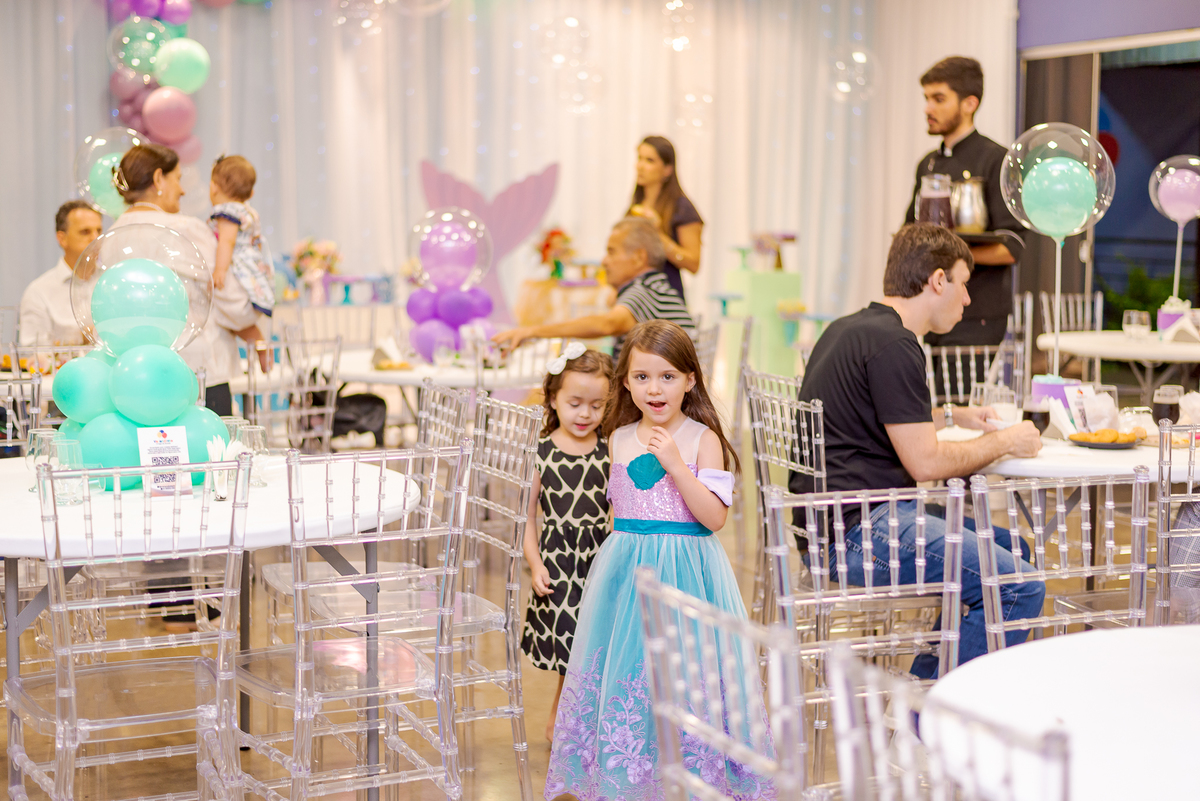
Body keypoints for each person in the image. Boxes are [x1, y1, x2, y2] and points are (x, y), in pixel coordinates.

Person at [789, 223, 1045, 678]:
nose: (967, 299)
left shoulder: (852, 328)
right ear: (938, 280)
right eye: (963, 284)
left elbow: (878, 418)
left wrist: (952, 415)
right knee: (1017, 584)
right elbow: (925, 462)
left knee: (1013, 547)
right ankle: (926, 712)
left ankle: (925, 684)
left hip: (830, 524)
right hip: (858, 535)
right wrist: (1008, 440)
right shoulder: (895, 344)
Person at [545, 321, 771, 799]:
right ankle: (631, 775)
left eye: (667, 377)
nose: (654, 389)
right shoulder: (618, 437)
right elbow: (619, 511)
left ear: (690, 380)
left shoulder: (703, 439)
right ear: (625, 383)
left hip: (686, 573)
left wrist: (675, 465)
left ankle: (693, 774)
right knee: (630, 672)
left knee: (686, 676)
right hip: (628, 573)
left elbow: (714, 518)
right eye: (642, 377)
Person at [521, 344, 613, 743]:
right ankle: (563, 721)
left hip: (599, 560)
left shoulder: (610, 449)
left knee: (593, 644)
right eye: (575, 403)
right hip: (558, 564)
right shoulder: (541, 452)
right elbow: (526, 518)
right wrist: (535, 564)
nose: (585, 414)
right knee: (571, 646)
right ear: (553, 398)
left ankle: (572, 721)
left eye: (597, 405)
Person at [109, 143, 244, 417]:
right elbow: (227, 297)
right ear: (159, 178)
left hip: (134, 376)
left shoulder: (110, 237)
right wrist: (253, 320)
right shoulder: (184, 228)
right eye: (178, 179)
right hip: (196, 373)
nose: (182, 190)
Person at [905, 56, 1021, 348]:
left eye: (938, 99)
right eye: (926, 99)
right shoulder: (927, 164)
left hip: (977, 314)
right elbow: (909, 231)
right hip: (929, 310)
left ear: (970, 103)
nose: (927, 108)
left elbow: (1012, 248)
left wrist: (950, 258)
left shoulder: (997, 160)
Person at [493, 217, 694, 362]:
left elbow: (607, 324)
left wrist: (532, 331)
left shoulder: (644, 290)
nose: (604, 261)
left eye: (611, 252)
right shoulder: (656, 287)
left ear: (638, 258)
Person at [208, 154, 275, 372]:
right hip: (253, 271)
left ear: (214, 187)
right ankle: (260, 344)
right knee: (233, 318)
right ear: (251, 193)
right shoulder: (248, 211)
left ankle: (259, 344)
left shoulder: (227, 212)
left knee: (226, 312)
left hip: (236, 272)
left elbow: (227, 242)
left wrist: (220, 269)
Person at [627, 135, 703, 303]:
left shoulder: (682, 208)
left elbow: (693, 264)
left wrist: (658, 235)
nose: (640, 166)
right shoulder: (636, 205)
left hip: (665, 300)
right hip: (635, 296)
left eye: (649, 160)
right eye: (639, 158)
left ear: (667, 169)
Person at [18, 200, 104, 346]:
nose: (95, 238)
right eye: (85, 232)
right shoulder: (38, 292)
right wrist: (78, 337)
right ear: (62, 239)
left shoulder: (113, 282)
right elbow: (31, 351)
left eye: (99, 231)